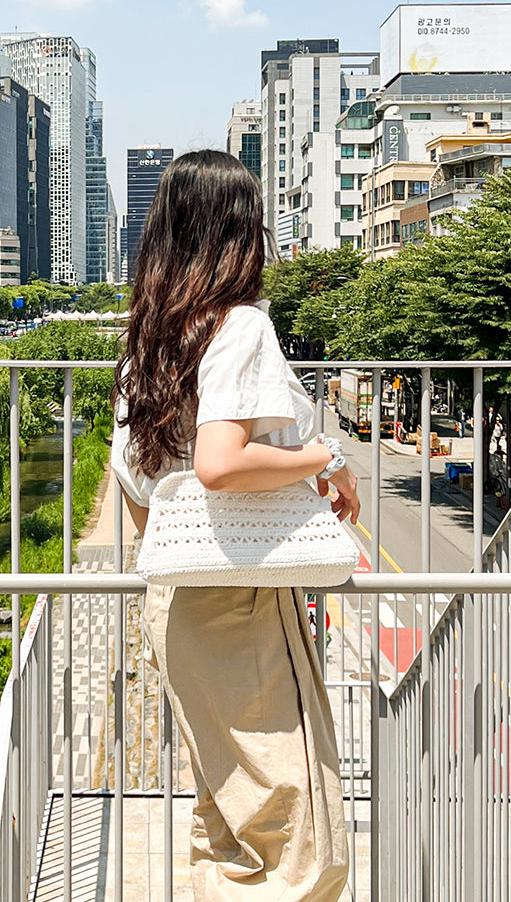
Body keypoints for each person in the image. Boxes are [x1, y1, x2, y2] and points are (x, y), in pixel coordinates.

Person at [111, 150, 360, 901]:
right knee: (297, 842)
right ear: (238, 230)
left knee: (228, 825)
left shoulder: (148, 336)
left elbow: (136, 486)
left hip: (176, 601)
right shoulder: (242, 326)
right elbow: (221, 463)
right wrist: (327, 456)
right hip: (239, 599)